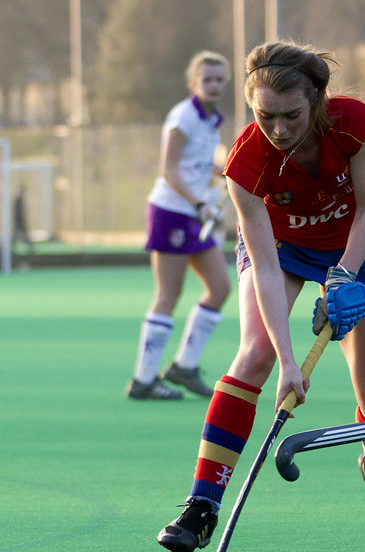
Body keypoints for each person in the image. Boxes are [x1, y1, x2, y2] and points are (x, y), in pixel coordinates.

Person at [157, 40, 365, 552]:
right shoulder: (246, 162)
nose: (278, 129)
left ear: (316, 100)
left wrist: (342, 275)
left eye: (291, 114)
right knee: (256, 355)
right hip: (281, 248)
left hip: (350, 245)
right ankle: (201, 506)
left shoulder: (353, 123)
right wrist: (290, 362)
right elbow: (266, 267)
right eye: (264, 115)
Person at [126, 51, 232, 400]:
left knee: (219, 289)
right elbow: (169, 170)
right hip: (171, 212)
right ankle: (143, 380)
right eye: (207, 80)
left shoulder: (212, 119)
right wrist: (199, 203)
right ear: (193, 83)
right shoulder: (182, 116)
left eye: (219, 79)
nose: (214, 85)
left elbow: (199, 165)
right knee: (169, 295)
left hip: (193, 213)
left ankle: (184, 366)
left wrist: (227, 176)